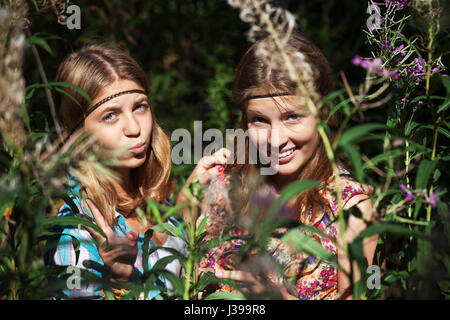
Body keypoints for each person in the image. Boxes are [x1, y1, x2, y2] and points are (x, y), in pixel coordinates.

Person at [180, 31, 379, 300]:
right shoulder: (224, 184)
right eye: (260, 120)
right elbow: (183, 278)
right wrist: (186, 205)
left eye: (293, 116)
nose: (276, 140)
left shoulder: (351, 210)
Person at [45, 44, 187, 299]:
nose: (134, 128)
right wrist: (124, 281)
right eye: (110, 115)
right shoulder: (77, 236)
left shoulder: (155, 199)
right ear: (79, 134)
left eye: (140, 106)